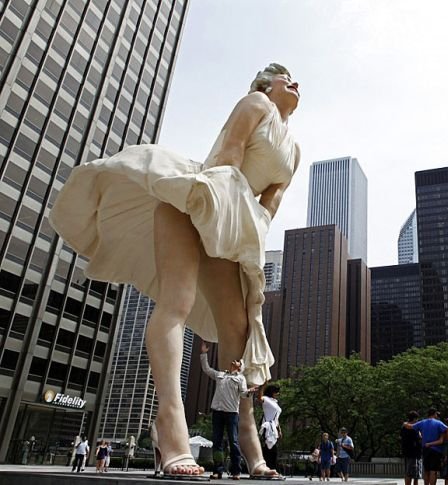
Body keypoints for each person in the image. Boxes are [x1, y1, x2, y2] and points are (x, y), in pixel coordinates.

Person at [49, 63, 300, 478]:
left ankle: (248, 437)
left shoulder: (294, 148)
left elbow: (269, 203)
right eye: (285, 76)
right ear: (264, 85)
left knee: (237, 328)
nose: (294, 83)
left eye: (296, 79)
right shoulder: (256, 103)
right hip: (196, 200)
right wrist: (223, 212)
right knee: (176, 304)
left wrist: (246, 244)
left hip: (233, 222)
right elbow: (229, 154)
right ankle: (171, 426)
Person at [201, 341, 248, 479]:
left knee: (233, 441)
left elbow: (244, 394)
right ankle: (217, 470)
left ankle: (236, 471)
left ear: (240, 367)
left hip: (232, 413)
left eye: (238, 361)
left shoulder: (240, 378)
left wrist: (250, 392)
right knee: (217, 442)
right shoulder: (220, 375)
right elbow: (207, 369)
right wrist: (204, 353)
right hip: (217, 412)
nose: (235, 360)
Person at [404, 409, 447, 485]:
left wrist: (405, 424)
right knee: (433, 471)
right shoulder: (439, 424)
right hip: (434, 451)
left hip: (423, 450)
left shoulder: (422, 423)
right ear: (434, 414)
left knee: (426, 470)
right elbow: (447, 430)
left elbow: (409, 427)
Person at [258, 384, 282, 471]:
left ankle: (271, 468)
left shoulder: (275, 402)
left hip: (274, 428)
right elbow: (259, 398)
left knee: (272, 449)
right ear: (272, 392)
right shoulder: (266, 399)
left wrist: (279, 429)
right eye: (276, 392)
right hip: (267, 427)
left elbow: (276, 418)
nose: (278, 394)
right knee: (269, 449)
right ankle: (268, 468)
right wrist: (262, 387)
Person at [401, 411, 422, 485]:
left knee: (408, 473)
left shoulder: (404, 427)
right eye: (417, 419)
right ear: (414, 419)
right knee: (414, 474)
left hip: (406, 452)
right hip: (414, 453)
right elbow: (419, 438)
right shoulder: (413, 428)